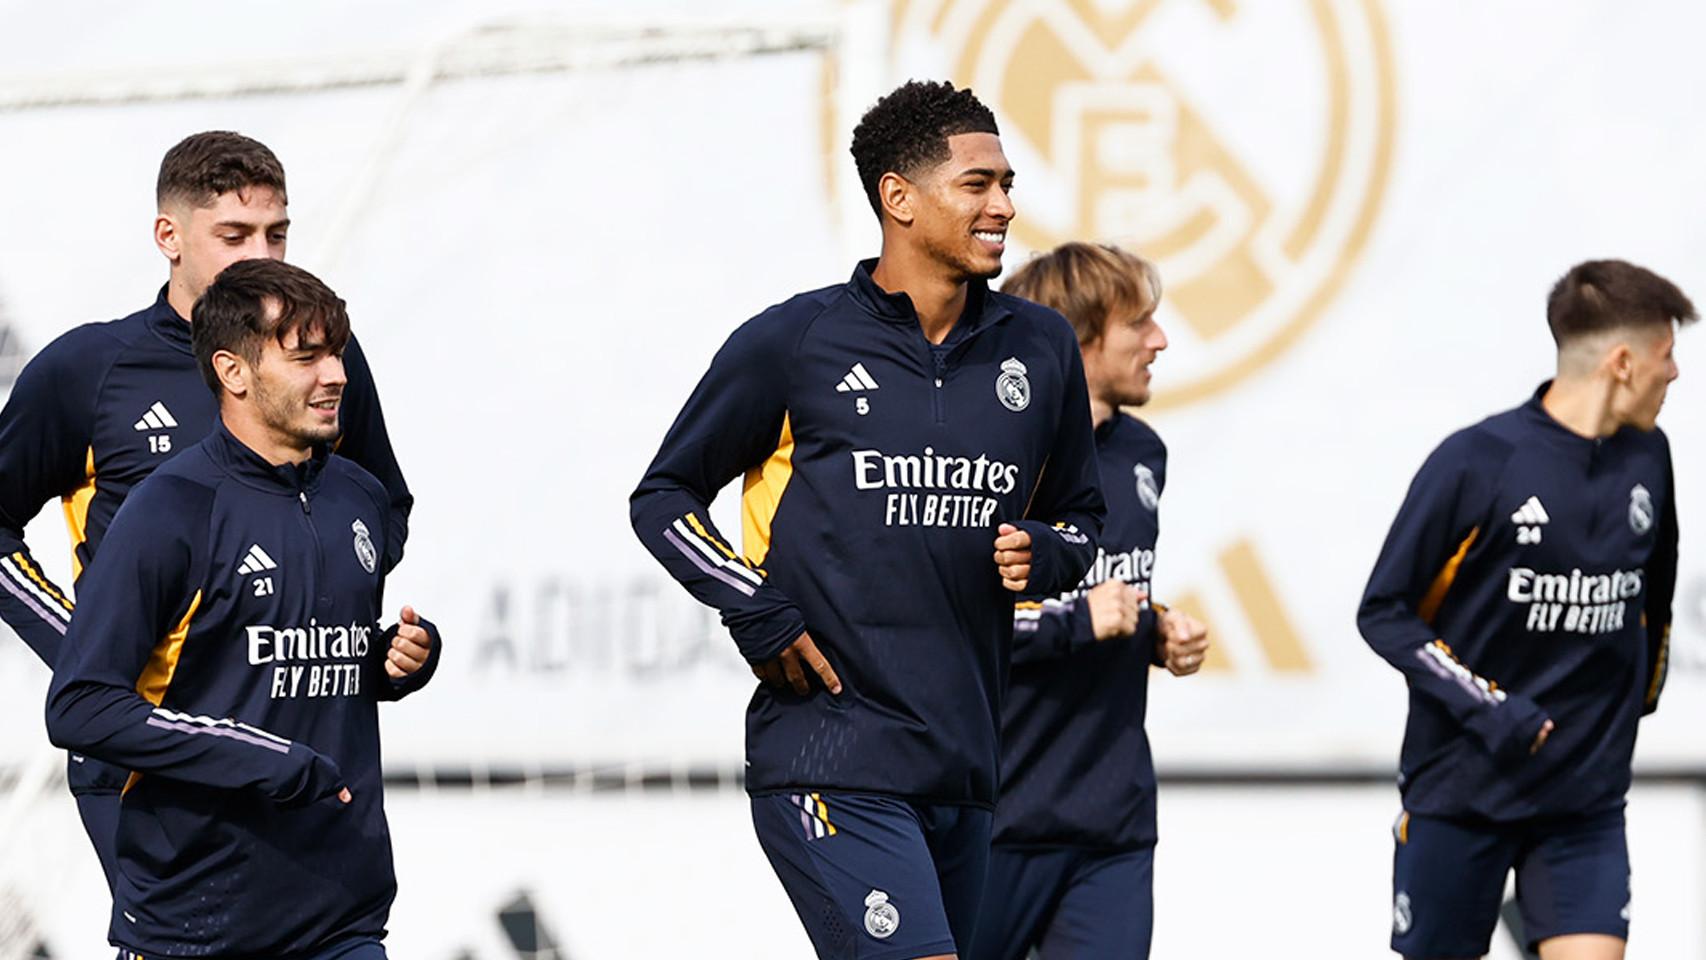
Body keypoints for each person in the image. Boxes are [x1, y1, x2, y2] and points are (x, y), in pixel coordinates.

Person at [631, 80, 1106, 959]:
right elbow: (662, 497)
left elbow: (1082, 518)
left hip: (965, 767)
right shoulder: (795, 341)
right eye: (978, 184)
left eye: (1007, 182)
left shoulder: (1039, 350)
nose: (1005, 205)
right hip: (829, 756)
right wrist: (755, 604)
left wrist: (1046, 553)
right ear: (899, 197)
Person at [0, 130, 412, 891]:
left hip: (288, 723)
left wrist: (343, 631)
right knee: (195, 933)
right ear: (170, 236)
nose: (264, 252)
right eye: (235, 234)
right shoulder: (92, 369)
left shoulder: (323, 365)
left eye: (277, 232)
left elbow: (381, 506)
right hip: (141, 744)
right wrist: (89, 647)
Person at [46, 258, 439, 960]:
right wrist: (258, 757)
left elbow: (304, 659)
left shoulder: (359, 497)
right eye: (306, 357)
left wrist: (394, 660)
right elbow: (79, 706)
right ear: (234, 372)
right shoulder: (170, 509)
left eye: (338, 353)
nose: (337, 375)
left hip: (340, 918)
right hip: (198, 921)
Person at [1357, 259, 1690, 960]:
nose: (1677, 374)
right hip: (1463, 790)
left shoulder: (1649, 456)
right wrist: (1493, 709)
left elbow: (1653, 596)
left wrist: (1639, 697)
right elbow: (1384, 611)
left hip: (1584, 802)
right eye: (1667, 356)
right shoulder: (1478, 463)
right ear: (1623, 362)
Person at [966, 243, 1209, 960]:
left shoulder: (1143, 453)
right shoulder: (987, 458)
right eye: (1141, 324)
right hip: (996, 818)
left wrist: (1158, 628)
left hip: (1114, 822)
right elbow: (950, 619)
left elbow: (1115, 587)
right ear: (1076, 341)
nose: (1160, 340)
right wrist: (1076, 620)